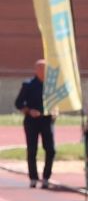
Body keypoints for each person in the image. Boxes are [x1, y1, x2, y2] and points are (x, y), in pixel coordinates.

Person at [13, 59, 53, 187]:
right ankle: (33, 178)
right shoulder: (28, 85)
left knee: (51, 150)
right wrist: (29, 111)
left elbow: (56, 103)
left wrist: (56, 111)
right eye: (42, 68)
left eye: (46, 68)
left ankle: (46, 177)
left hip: (47, 120)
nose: (44, 71)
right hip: (31, 121)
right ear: (37, 70)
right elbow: (18, 103)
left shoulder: (51, 86)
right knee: (32, 149)